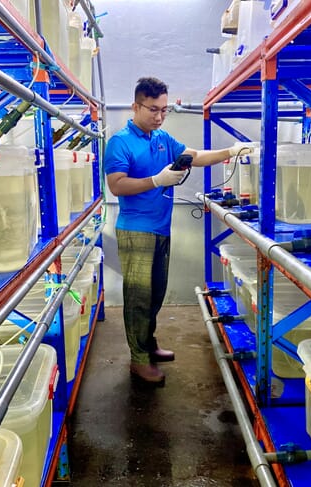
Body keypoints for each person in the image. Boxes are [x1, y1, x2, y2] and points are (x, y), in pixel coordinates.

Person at [104, 76, 254, 384]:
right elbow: (116, 185)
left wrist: (231, 152)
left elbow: (196, 156)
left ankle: (148, 343)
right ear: (135, 106)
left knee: (156, 293)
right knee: (139, 298)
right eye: (152, 110)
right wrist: (156, 181)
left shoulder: (162, 138)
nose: (159, 116)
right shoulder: (120, 142)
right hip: (136, 231)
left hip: (161, 228)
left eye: (164, 110)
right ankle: (139, 359)